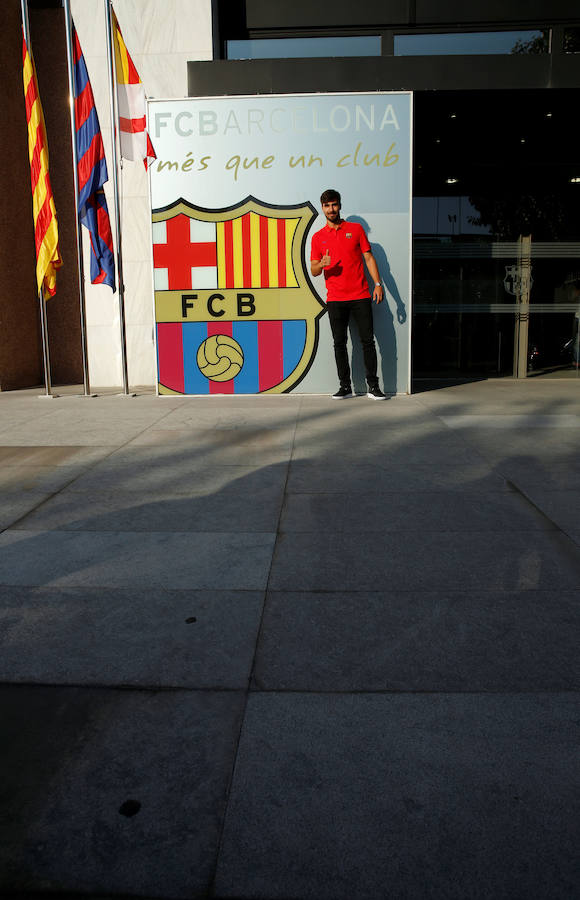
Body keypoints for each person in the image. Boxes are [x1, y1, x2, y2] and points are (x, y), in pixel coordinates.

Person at [310, 188, 387, 399]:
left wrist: (378, 284)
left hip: (361, 294)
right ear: (322, 208)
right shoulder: (318, 237)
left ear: (340, 205)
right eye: (327, 206)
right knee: (339, 343)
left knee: (368, 342)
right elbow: (314, 270)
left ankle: (373, 386)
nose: (331, 209)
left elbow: (369, 258)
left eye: (334, 204)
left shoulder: (356, 229)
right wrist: (322, 264)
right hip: (335, 299)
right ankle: (345, 386)